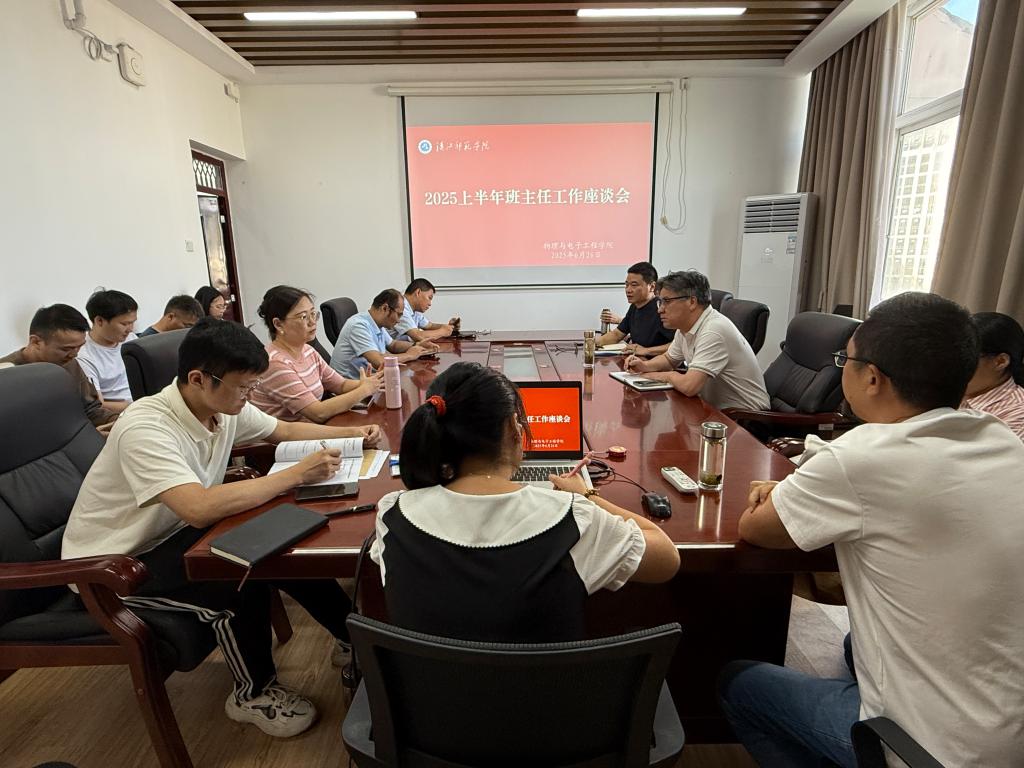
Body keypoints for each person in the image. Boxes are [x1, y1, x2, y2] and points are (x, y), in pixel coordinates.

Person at [719, 292, 1024, 767]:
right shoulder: (1002, 438)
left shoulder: (860, 457)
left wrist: (788, 493)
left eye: (846, 360)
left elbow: (756, 529)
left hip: (934, 751)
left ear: (873, 378)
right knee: (851, 645)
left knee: (739, 685)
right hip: (1009, 731)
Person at [62, 318, 384, 738]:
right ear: (199, 379)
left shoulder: (221, 405)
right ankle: (252, 694)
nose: (250, 396)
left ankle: (351, 637)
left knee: (285, 542)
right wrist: (295, 475)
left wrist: (355, 436)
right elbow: (197, 508)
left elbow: (283, 429)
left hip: (172, 533)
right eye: (244, 387)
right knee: (239, 576)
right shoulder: (147, 427)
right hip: (116, 564)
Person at [371, 362, 680, 643]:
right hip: (553, 689)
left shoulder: (393, 516)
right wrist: (586, 496)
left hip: (429, 690)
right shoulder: (573, 520)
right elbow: (666, 559)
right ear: (512, 429)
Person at [624, 270, 769, 411]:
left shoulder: (714, 330)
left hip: (745, 418)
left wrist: (664, 376)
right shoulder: (685, 327)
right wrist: (644, 366)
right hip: (713, 410)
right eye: (660, 302)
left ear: (692, 301)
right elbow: (669, 359)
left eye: (666, 301)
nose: (660, 310)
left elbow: (689, 386)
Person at [249, 285, 384, 422]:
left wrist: (370, 383)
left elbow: (341, 385)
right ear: (278, 324)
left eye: (313, 314)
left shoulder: (308, 350)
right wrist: (364, 390)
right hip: (293, 434)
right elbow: (318, 413)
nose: (312, 322)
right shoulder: (275, 363)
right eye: (303, 317)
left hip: (312, 428)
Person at [0, 304, 117, 433]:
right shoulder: (6, 374)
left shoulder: (69, 363)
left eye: (79, 346)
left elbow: (91, 410)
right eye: (66, 349)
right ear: (36, 342)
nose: (75, 354)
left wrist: (119, 422)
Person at [330, 289, 438, 379]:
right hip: (352, 389)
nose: (399, 320)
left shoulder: (376, 323)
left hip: (369, 381)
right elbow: (379, 361)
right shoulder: (358, 325)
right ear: (385, 308)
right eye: (398, 315)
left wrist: (417, 345)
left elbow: (393, 345)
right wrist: (410, 355)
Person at [961, 311, 1024, 440]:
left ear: (1000, 361)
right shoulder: (947, 391)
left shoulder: (1017, 413)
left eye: (965, 358)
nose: (952, 366)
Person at [75, 288, 138, 413]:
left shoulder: (130, 339)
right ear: (99, 321)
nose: (130, 329)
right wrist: (137, 405)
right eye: (124, 324)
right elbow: (98, 404)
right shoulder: (84, 356)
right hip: (122, 412)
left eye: (132, 323)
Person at [596, 262, 674, 356]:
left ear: (652, 287)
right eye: (627, 285)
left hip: (658, 362)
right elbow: (616, 334)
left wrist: (647, 351)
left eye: (634, 285)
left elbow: (677, 345)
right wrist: (592, 343)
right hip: (637, 360)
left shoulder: (662, 308)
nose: (628, 290)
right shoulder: (634, 306)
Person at [392, 278, 458, 343]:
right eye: (429, 298)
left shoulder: (414, 309)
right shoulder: (401, 307)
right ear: (418, 292)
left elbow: (430, 326)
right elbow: (418, 336)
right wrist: (442, 331)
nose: (430, 304)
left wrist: (448, 327)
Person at [137, 295, 203, 337]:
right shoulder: (146, 342)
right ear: (170, 317)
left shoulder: (176, 336)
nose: (190, 330)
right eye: (187, 326)